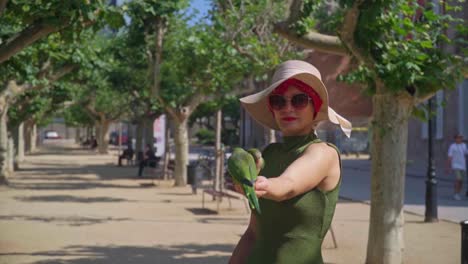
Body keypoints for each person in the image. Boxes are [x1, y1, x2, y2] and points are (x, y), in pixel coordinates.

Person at [229, 60, 352, 264]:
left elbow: (288, 185)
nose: (287, 108)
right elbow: (253, 233)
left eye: (299, 100)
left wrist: (262, 185)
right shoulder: (267, 155)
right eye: (278, 101)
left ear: (315, 106)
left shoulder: (323, 153)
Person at [446, 133, 468, 200]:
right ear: (455, 139)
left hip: (463, 166)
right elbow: (450, 157)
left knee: (461, 181)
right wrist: (448, 167)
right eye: (458, 138)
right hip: (455, 165)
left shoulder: (464, 145)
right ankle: (456, 194)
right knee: (458, 179)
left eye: (461, 138)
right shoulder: (452, 146)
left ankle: (458, 193)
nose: (460, 139)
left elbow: (466, 153)